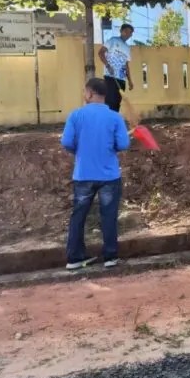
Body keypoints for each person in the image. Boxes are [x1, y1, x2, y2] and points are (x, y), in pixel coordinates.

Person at [61, 78, 130, 270]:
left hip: (83, 174)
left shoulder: (75, 115)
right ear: (104, 95)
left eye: (85, 92)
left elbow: (66, 142)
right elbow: (123, 144)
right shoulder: (115, 117)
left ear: (90, 93)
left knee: (79, 216)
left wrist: (79, 151)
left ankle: (74, 258)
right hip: (109, 175)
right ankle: (110, 257)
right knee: (108, 215)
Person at [98, 23, 135, 112]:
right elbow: (100, 53)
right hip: (110, 77)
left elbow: (126, 65)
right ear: (121, 31)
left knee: (117, 103)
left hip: (121, 79)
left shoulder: (127, 48)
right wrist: (107, 65)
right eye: (126, 31)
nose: (128, 34)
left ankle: (113, 123)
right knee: (110, 102)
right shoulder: (113, 40)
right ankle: (106, 123)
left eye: (130, 33)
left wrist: (130, 80)